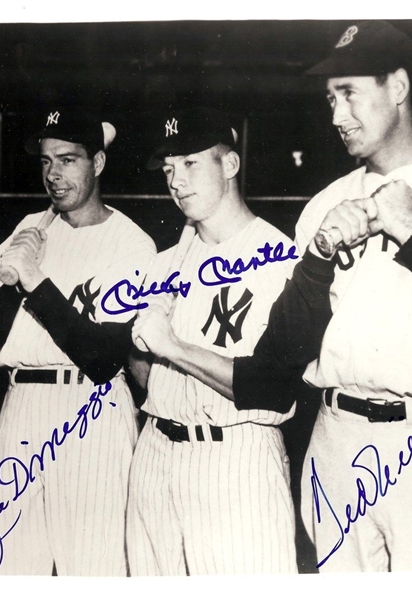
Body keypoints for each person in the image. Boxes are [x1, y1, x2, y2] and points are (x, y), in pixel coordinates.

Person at [134, 21, 412, 572]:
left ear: (399, 88)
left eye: (350, 94)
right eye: (330, 99)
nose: (337, 115)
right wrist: (316, 259)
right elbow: (281, 355)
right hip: (337, 441)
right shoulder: (324, 205)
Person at [0, 108, 156, 575]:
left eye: (68, 160)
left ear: (98, 163)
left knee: (93, 566)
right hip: (22, 403)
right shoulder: (32, 225)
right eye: (47, 161)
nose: (53, 174)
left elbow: (99, 355)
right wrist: (17, 273)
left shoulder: (131, 243)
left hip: (91, 410)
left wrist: (33, 278)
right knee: (3, 565)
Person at [124, 107, 301, 576]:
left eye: (189, 164)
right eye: (167, 170)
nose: (176, 181)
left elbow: (273, 386)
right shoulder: (164, 263)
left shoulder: (280, 260)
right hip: (155, 449)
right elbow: (138, 361)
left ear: (230, 165)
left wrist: (174, 348)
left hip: (236, 455)